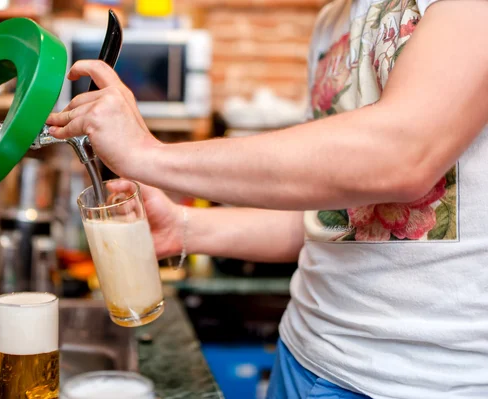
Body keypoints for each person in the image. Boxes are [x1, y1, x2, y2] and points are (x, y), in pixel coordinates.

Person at [47, 0, 488, 397]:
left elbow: (402, 156)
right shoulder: (333, 19)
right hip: (302, 354)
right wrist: (184, 226)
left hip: (426, 382)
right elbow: (332, 218)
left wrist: (147, 155)